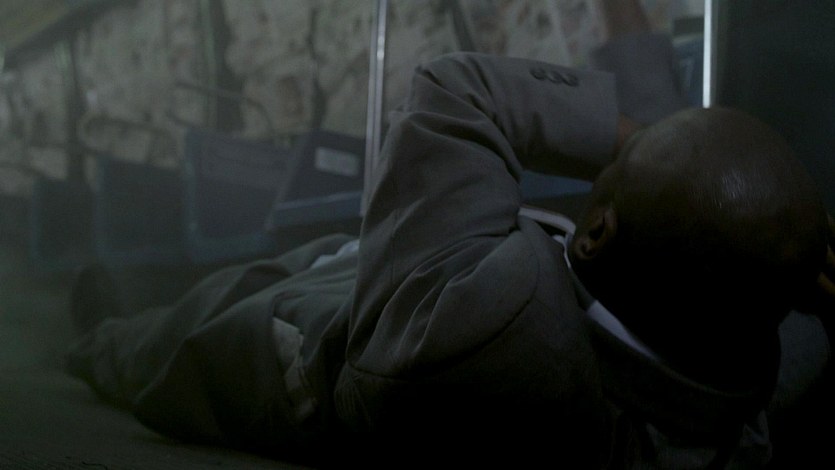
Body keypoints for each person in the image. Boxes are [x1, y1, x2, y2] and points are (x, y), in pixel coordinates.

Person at [65, 2, 834, 468]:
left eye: (626, 169)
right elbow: (775, 290)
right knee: (262, 272)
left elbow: (459, 89)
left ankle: (97, 341)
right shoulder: (740, 386)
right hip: (384, 267)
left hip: (303, 334)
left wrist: (638, 140)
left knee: (169, 336)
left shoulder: (487, 330)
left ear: (597, 231)